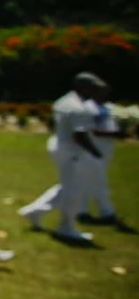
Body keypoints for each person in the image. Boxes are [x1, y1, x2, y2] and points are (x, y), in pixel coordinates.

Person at [17, 73, 105, 243]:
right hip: (73, 151)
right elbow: (80, 135)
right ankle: (66, 227)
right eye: (92, 88)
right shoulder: (78, 107)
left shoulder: (64, 101)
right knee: (74, 190)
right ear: (82, 87)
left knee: (68, 186)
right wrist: (95, 152)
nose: (95, 92)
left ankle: (34, 212)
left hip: (60, 146)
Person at [81, 82, 121, 224]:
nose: (103, 94)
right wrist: (114, 133)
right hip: (92, 147)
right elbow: (91, 130)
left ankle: (81, 210)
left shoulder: (108, 107)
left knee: (89, 180)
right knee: (99, 180)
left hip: (107, 147)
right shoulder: (87, 108)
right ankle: (107, 212)